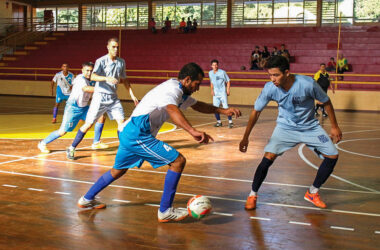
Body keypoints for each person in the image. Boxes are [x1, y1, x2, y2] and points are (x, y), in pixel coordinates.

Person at [77, 63, 241, 223]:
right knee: (178, 161)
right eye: (197, 84)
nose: (197, 88)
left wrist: (223, 110)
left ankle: (86, 199)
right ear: (187, 79)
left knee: (117, 171)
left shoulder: (181, 93)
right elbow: (171, 109)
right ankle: (165, 211)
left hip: (130, 131)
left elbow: (198, 105)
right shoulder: (172, 89)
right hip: (137, 133)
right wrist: (192, 131)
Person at [239, 56, 342, 210]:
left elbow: (326, 101)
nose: (272, 79)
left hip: (310, 127)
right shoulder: (270, 88)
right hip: (285, 128)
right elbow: (256, 112)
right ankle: (252, 194)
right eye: (270, 75)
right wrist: (245, 137)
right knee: (268, 158)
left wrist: (334, 127)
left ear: (287, 72)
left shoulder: (307, 84)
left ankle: (312, 192)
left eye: (276, 75)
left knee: (332, 155)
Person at [66, 37, 139, 160]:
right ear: (108, 47)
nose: (116, 49)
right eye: (113, 47)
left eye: (117, 47)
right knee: (88, 124)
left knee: (122, 123)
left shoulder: (121, 62)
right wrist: (106, 78)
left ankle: (125, 150)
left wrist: (131, 94)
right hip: (100, 97)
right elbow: (93, 77)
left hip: (113, 98)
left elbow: (125, 80)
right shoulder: (101, 61)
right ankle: (72, 147)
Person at [38, 62, 107, 153]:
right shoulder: (80, 78)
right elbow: (86, 88)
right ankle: (42, 143)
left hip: (84, 107)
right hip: (73, 108)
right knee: (63, 131)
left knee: (101, 117)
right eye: (87, 70)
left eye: (91, 71)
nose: (89, 73)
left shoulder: (92, 79)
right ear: (82, 70)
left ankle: (96, 142)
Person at [209, 59, 233, 128]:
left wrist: (228, 90)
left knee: (226, 108)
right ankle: (219, 122)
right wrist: (212, 90)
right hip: (215, 94)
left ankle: (230, 122)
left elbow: (228, 81)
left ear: (218, 65)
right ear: (211, 66)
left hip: (222, 93)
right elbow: (211, 82)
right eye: (213, 65)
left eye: (216, 65)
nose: (215, 66)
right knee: (215, 108)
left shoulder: (222, 72)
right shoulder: (210, 73)